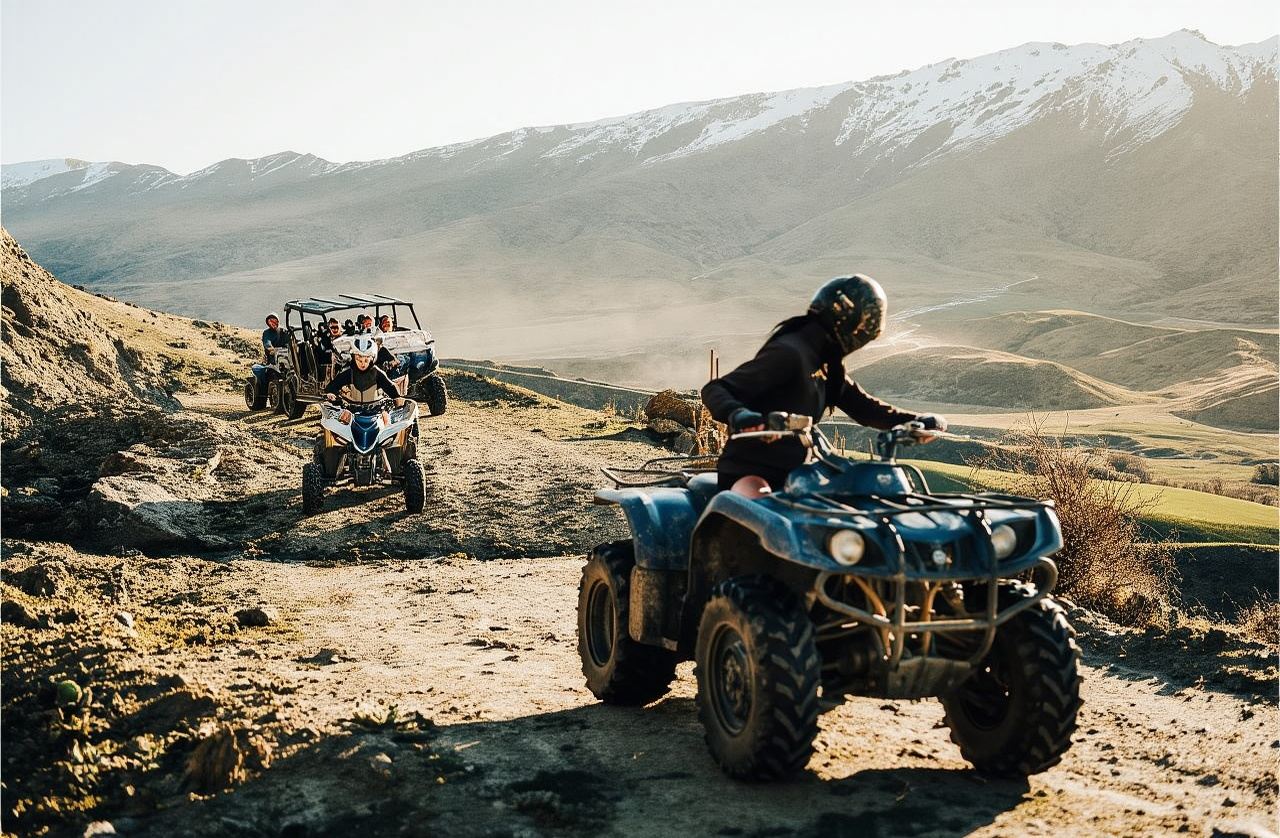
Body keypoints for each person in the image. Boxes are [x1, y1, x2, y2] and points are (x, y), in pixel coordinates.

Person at [702, 274, 946, 497]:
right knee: (762, 507)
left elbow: (865, 408)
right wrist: (741, 416)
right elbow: (717, 389)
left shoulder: (826, 364)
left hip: (801, 474)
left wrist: (918, 420)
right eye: (863, 326)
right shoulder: (790, 353)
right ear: (846, 319)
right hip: (751, 471)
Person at [324, 336, 404, 422]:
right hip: (352, 411)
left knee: (390, 422)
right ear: (353, 357)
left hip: (376, 412)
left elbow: (390, 387)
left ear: (372, 358)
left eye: (366, 360)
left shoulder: (377, 373)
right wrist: (331, 394)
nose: (362, 364)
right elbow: (332, 386)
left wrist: (397, 397)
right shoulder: (348, 373)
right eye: (359, 360)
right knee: (334, 424)